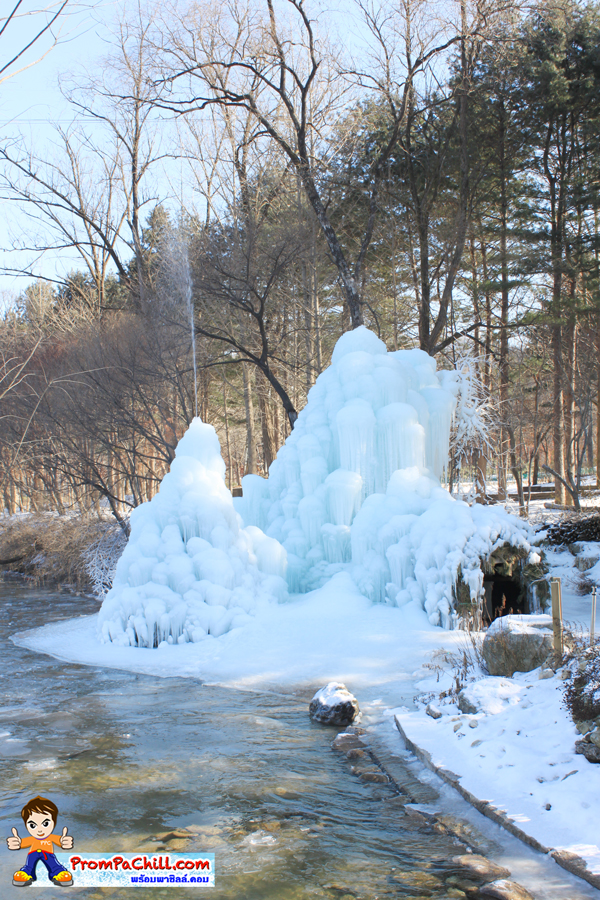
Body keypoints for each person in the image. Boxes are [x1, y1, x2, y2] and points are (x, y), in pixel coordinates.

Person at [6, 795, 74, 887]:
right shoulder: (32, 839)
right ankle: (28, 873)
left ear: (54, 822)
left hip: (48, 853)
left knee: (54, 864)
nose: (39, 830)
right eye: (33, 825)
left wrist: (64, 842)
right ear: (26, 825)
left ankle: (57, 872)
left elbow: (61, 842)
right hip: (33, 853)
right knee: (29, 865)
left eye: (45, 824)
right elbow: (21, 843)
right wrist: (16, 844)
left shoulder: (51, 837)